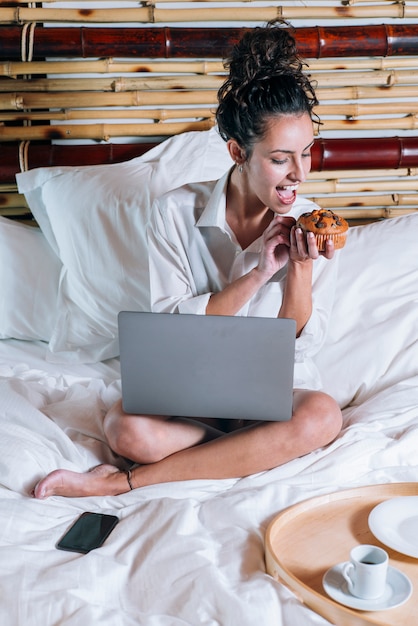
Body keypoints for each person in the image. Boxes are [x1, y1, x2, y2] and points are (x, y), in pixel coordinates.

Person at [33, 20, 342, 499]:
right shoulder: (173, 211)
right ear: (238, 151)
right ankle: (244, 451)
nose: (300, 174)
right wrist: (261, 272)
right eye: (281, 158)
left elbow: (299, 349)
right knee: (127, 431)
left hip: (270, 401)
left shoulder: (310, 224)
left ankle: (125, 482)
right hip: (189, 399)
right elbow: (173, 324)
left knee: (322, 415)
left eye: (307, 153)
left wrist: (298, 270)